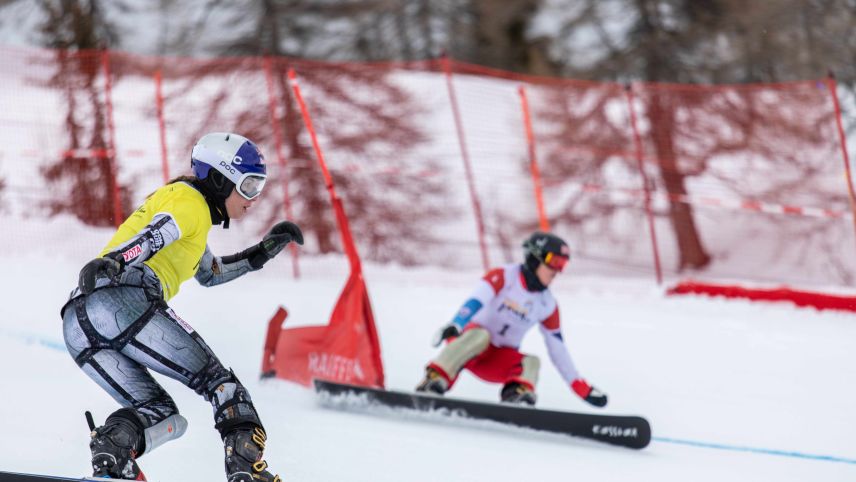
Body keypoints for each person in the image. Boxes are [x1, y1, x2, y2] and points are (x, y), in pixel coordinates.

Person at [61, 132, 303, 482]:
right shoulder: (189, 202)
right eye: (249, 186)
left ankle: (114, 453)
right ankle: (246, 471)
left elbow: (211, 273)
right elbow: (156, 235)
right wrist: (117, 261)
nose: (254, 198)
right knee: (224, 387)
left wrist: (263, 252)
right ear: (220, 179)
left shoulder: (191, 215)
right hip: (122, 298)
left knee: (161, 415)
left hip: (78, 321)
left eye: (260, 186)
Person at [416, 231, 608, 408]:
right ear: (535, 257)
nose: (556, 270)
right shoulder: (505, 276)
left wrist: (579, 386)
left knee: (532, 362)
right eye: (554, 261)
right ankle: (435, 379)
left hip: (497, 360)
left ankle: (517, 398)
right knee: (480, 335)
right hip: (466, 346)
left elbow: (557, 348)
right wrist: (457, 323)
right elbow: (476, 300)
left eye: (562, 265)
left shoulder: (547, 304)